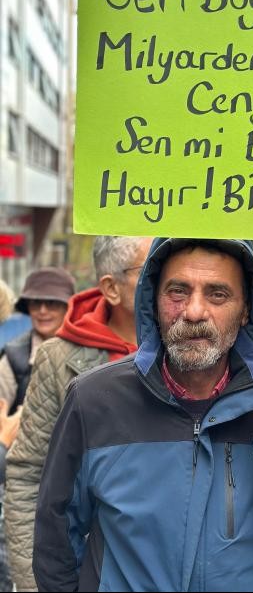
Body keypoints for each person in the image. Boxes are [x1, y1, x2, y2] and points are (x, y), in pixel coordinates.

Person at [34, 238, 253, 591]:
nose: (194, 311)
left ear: (245, 309)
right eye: (178, 292)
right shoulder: (94, 399)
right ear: (153, 300)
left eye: (217, 295)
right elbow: (55, 542)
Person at [4, 236, 150, 592]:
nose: (169, 277)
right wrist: (34, 581)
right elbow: (27, 476)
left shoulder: (194, 350)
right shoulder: (56, 358)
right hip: (90, 572)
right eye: (151, 268)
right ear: (110, 288)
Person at [0, 268, 76, 412]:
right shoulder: (14, 355)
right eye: (35, 303)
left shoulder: (88, 348)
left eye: (52, 303)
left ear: (68, 307)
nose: (43, 311)